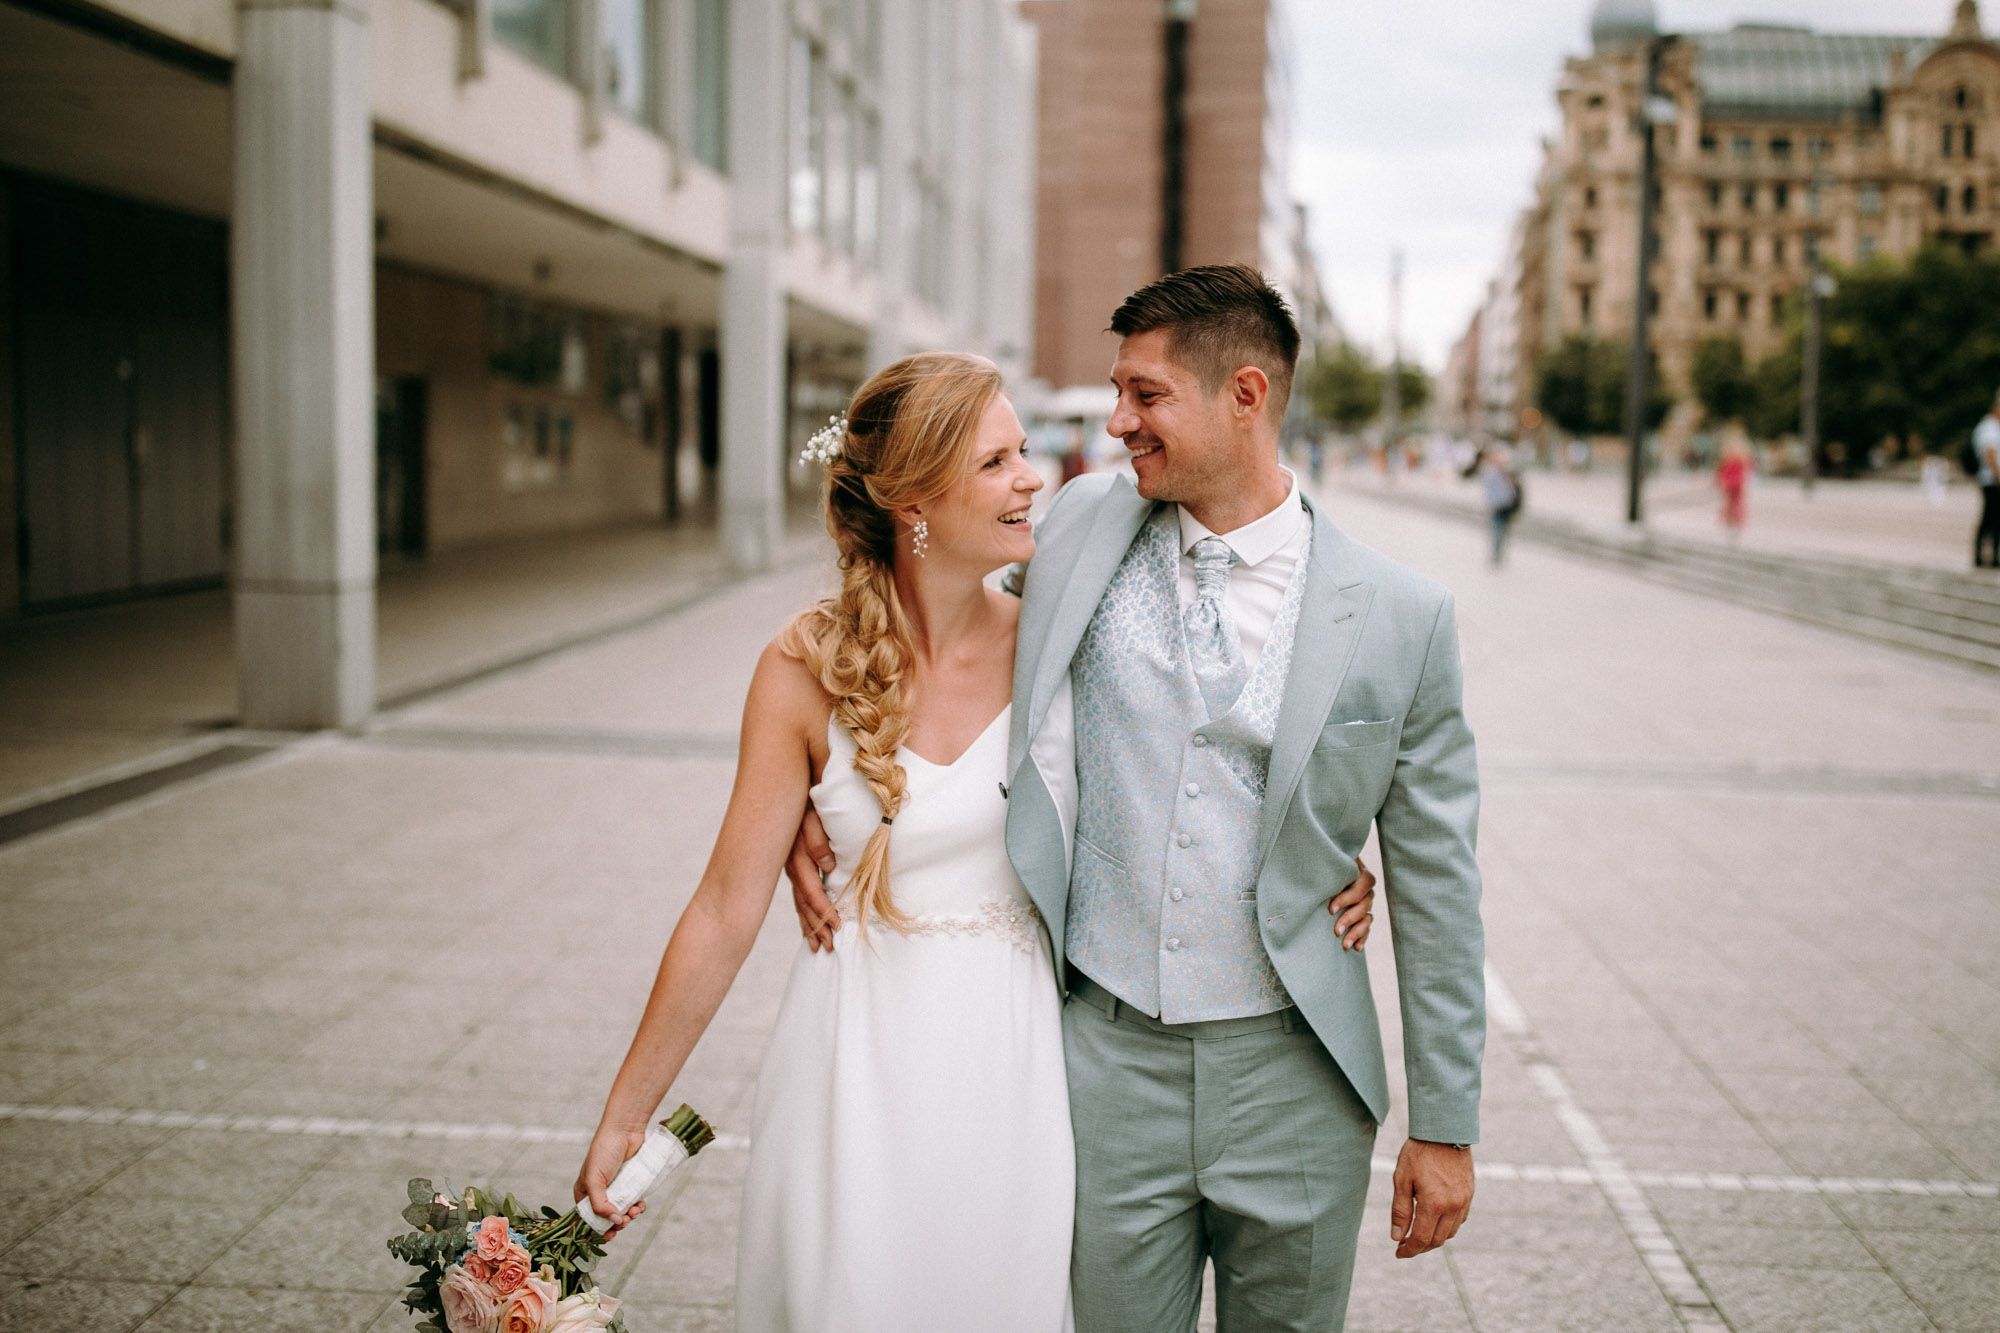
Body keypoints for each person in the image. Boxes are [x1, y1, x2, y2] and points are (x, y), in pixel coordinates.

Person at [575, 351, 1379, 1333]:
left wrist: (1322, 857)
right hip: (848, 1063)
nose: (1032, 479)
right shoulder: (799, 669)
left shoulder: (1061, 641)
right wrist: (626, 1114)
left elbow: (1193, 775)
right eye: (996, 462)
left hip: (1013, 1067)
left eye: (1021, 451)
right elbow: (721, 908)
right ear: (914, 500)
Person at [790, 266, 1483, 1332]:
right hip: (1104, 1067)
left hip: (1297, 1077)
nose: (1116, 421)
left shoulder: (1402, 614)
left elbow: (1441, 882)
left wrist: (1445, 1123)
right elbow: (934, 629)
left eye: (1144, 395)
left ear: (1244, 395)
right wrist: (843, 780)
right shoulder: (1075, 526)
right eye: (1118, 392)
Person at [1469, 442, 1522, 566]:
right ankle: (1496, 555)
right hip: (1498, 505)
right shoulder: (1490, 472)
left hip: (1506, 504)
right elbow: (1492, 489)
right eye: (1498, 456)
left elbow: (1511, 487)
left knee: (1503, 530)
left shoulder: (1502, 471)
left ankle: (1499, 554)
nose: (1501, 459)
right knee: (1497, 530)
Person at [1975, 391, 2000, 568]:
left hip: (1993, 479)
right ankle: (1981, 555)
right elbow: (1990, 454)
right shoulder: (1988, 427)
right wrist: (1998, 477)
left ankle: (1991, 555)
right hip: (1991, 481)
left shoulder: (1993, 426)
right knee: (1990, 518)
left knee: (1995, 518)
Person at [1716, 437, 1751, 541]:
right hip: (1730, 486)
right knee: (1730, 506)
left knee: (1735, 506)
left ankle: (1735, 525)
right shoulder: (1729, 460)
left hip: (1736, 486)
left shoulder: (1739, 460)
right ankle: (1730, 524)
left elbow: (1742, 474)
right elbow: (1721, 472)